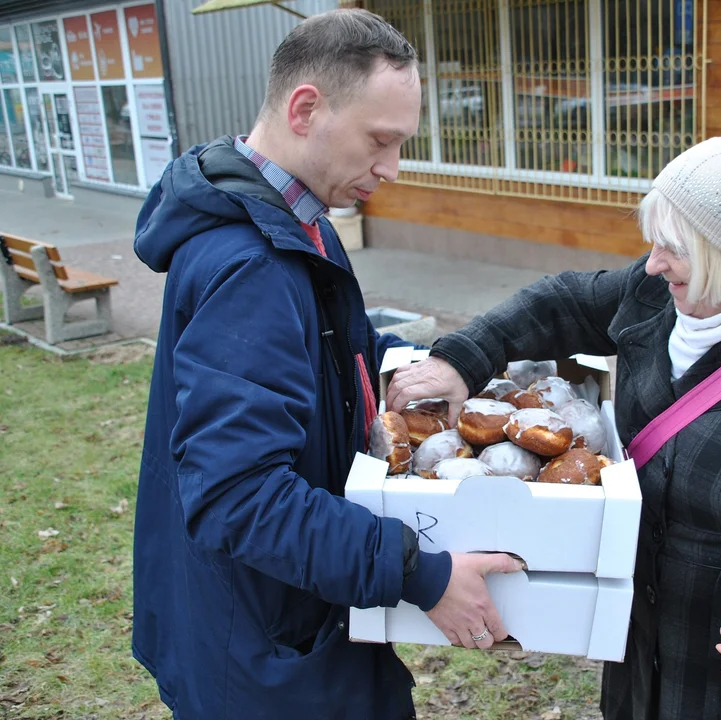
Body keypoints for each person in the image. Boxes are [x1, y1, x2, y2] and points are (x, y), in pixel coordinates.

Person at [387, 134, 721, 719]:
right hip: (649, 650)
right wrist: (463, 357)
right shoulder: (655, 298)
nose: (653, 263)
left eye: (674, 249)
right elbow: (558, 302)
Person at [131, 10, 521, 720]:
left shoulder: (300, 223)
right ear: (306, 109)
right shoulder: (252, 264)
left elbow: (330, 352)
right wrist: (421, 572)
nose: (392, 169)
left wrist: (411, 367)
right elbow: (237, 497)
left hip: (287, 621)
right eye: (381, 140)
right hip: (263, 653)